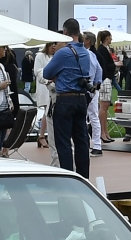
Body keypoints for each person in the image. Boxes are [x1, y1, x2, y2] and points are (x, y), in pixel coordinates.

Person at [41, 19, 98, 176]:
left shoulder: (63, 52)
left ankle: (68, 176)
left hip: (65, 99)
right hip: (81, 99)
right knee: (81, 141)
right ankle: (83, 176)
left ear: (65, 32)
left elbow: (46, 73)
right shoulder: (86, 53)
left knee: (63, 141)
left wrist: (58, 74)